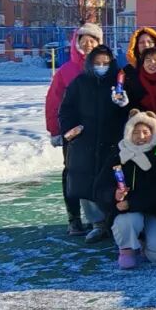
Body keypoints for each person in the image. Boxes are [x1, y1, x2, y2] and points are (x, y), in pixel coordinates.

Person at [58, 44, 129, 243]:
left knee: (112, 180)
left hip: (112, 140)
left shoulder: (119, 83)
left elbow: (129, 112)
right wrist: (71, 129)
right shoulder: (80, 82)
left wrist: (124, 105)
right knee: (85, 181)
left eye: (106, 63)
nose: (102, 66)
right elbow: (66, 109)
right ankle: (97, 223)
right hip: (85, 140)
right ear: (90, 63)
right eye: (98, 63)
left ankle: (112, 221)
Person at [45, 22, 103, 236]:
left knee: (99, 172)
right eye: (83, 41)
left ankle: (101, 219)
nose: (88, 45)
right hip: (74, 133)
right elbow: (53, 101)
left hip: (99, 131)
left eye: (92, 41)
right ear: (76, 43)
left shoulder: (104, 66)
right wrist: (56, 130)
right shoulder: (67, 71)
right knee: (72, 173)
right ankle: (74, 219)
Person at [97, 109, 156, 269]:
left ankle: (144, 243)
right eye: (136, 132)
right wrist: (113, 195)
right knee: (128, 221)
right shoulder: (118, 155)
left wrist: (131, 203)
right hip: (126, 213)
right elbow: (100, 188)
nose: (141, 137)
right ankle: (127, 249)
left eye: (146, 132)